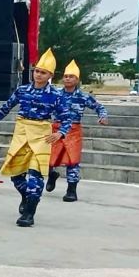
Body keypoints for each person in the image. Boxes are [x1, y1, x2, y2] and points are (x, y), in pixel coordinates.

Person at [0, 48, 73, 228]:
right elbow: (5, 108)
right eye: (37, 71)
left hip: (42, 136)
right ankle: (26, 196)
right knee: (16, 174)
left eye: (43, 72)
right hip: (22, 133)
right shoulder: (22, 90)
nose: (38, 75)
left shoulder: (56, 95)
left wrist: (60, 132)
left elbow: (67, 117)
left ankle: (29, 212)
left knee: (35, 175)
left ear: (50, 75)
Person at [45, 60, 109, 202]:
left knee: (72, 161)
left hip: (73, 130)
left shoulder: (83, 96)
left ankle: (71, 190)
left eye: (71, 76)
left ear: (77, 79)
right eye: (66, 76)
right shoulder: (55, 94)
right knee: (48, 157)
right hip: (56, 128)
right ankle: (51, 175)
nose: (67, 78)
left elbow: (100, 107)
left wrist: (103, 117)